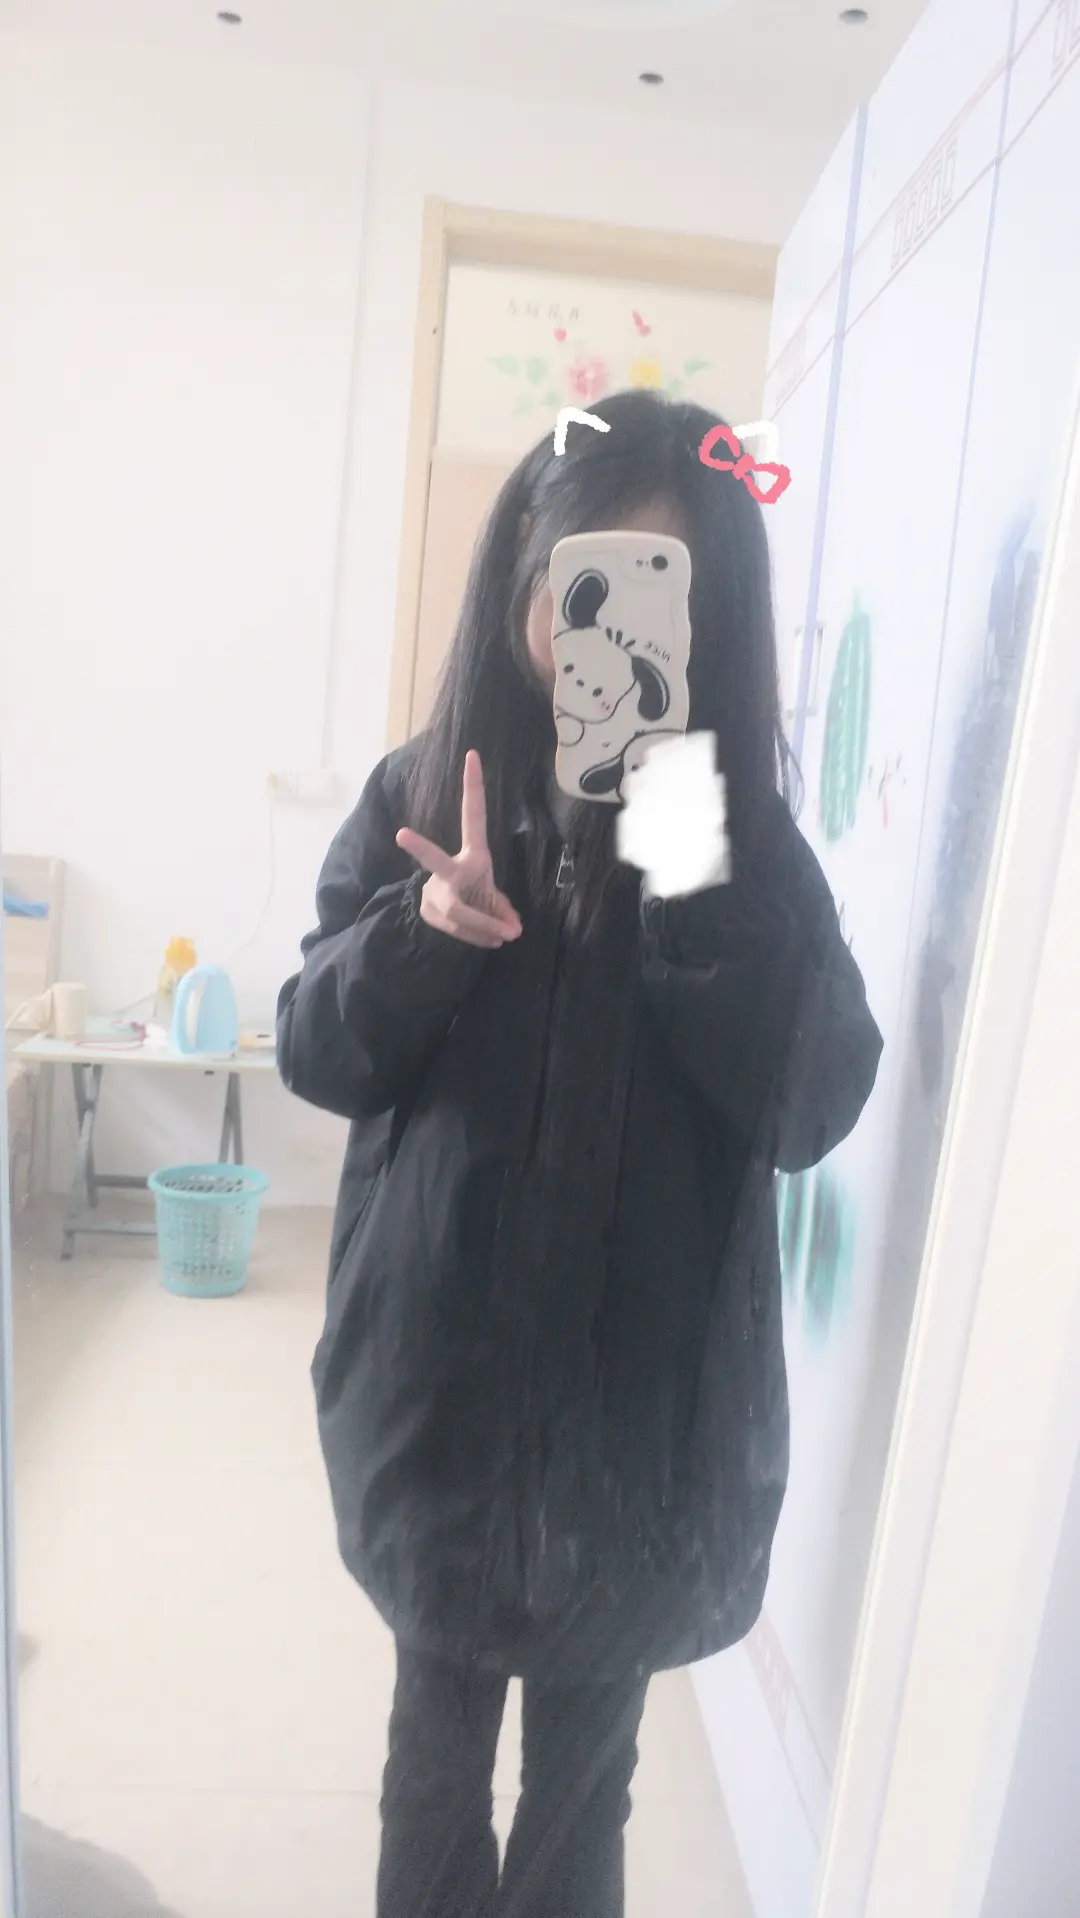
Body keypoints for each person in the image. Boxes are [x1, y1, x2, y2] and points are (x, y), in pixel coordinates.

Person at [277, 388, 882, 1918]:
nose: (603, 630)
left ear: (711, 623)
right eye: (584, 578)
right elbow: (315, 1048)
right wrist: (422, 932)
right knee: (431, 1767)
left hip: (642, 1436)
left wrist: (693, 881)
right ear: (524, 572)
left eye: (655, 589)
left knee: (582, 1787)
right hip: (444, 1395)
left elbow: (814, 1101)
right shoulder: (424, 796)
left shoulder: (732, 836)